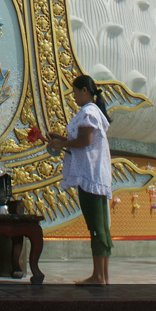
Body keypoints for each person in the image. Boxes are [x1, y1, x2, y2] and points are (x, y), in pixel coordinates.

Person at [47, 75, 113, 285]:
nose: (73, 96)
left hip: (90, 175)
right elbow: (84, 141)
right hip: (97, 175)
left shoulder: (88, 112)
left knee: (96, 226)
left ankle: (98, 276)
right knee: (101, 226)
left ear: (85, 91)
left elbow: (86, 141)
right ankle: (103, 275)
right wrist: (60, 140)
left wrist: (60, 145)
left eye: (75, 92)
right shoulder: (95, 111)